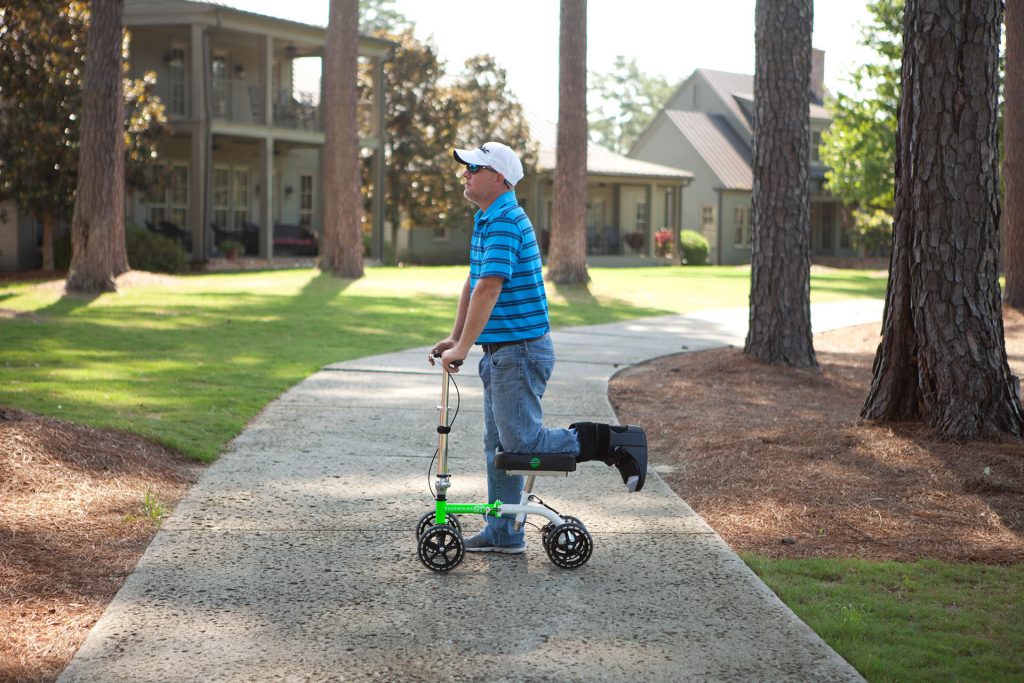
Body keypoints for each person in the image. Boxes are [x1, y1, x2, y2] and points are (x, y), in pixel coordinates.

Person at [429, 141, 647, 554]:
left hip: (519, 351)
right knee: (501, 446)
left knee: (522, 446)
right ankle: (505, 532)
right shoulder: (487, 219)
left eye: (473, 167)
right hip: (503, 353)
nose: (464, 173)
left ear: (500, 178)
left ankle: (617, 443)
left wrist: (465, 345)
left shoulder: (506, 220)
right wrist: (458, 339)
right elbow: (474, 283)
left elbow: (490, 287)